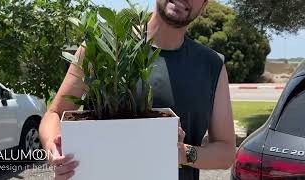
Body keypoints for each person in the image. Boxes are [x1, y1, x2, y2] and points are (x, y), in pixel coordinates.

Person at [39, 0, 236, 179]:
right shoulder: (100, 46)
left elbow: (226, 152)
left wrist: (183, 153)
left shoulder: (211, 65)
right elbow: (54, 113)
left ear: (204, 5)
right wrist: (53, 150)